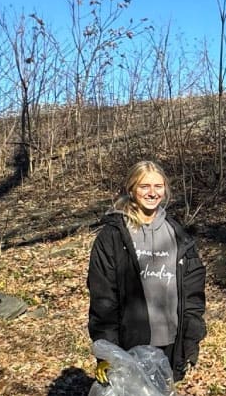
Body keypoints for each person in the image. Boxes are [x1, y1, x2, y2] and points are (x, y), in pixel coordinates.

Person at [87, 160, 206, 383]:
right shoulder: (113, 237)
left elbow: (193, 293)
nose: (152, 193)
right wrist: (106, 351)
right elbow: (103, 299)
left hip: (170, 343)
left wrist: (191, 340)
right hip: (129, 344)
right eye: (144, 186)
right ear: (131, 189)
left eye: (158, 186)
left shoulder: (178, 234)